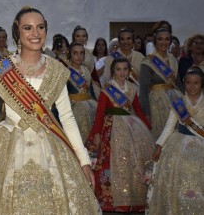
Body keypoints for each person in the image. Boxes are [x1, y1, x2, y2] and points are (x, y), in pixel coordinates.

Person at [0, 6, 100, 214]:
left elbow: (66, 118)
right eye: (28, 28)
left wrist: (83, 161)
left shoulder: (57, 70)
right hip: (9, 145)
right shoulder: (2, 68)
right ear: (17, 33)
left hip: (49, 145)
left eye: (40, 27)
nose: (35, 33)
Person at [86, 57, 154, 212]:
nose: (122, 72)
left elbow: (138, 110)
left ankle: (134, 199)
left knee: (134, 162)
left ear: (129, 70)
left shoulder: (132, 88)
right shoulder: (107, 89)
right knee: (113, 160)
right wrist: (96, 133)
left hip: (133, 127)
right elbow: (100, 112)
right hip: (111, 128)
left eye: (125, 69)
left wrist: (147, 128)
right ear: (113, 71)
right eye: (118, 69)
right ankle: (115, 200)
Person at [147, 67, 204, 214]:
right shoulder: (178, 103)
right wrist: (159, 145)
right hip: (178, 145)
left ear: (202, 84)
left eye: (196, 83)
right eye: (189, 83)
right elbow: (169, 126)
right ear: (184, 83)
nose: (192, 86)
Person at [139, 28, 184, 140]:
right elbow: (143, 89)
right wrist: (146, 113)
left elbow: (178, 83)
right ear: (155, 41)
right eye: (160, 39)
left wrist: (187, 101)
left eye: (167, 39)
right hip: (157, 103)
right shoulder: (148, 61)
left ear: (170, 41)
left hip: (175, 100)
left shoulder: (173, 59)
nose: (163, 42)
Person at [67, 42, 97, 141]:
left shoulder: (86, 71)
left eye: (81, 53)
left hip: (90, 106)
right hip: (73, 109)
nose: (78, 56)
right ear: (70, 54)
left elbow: (91, 92)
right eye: (75, 53)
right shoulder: (66, 72)